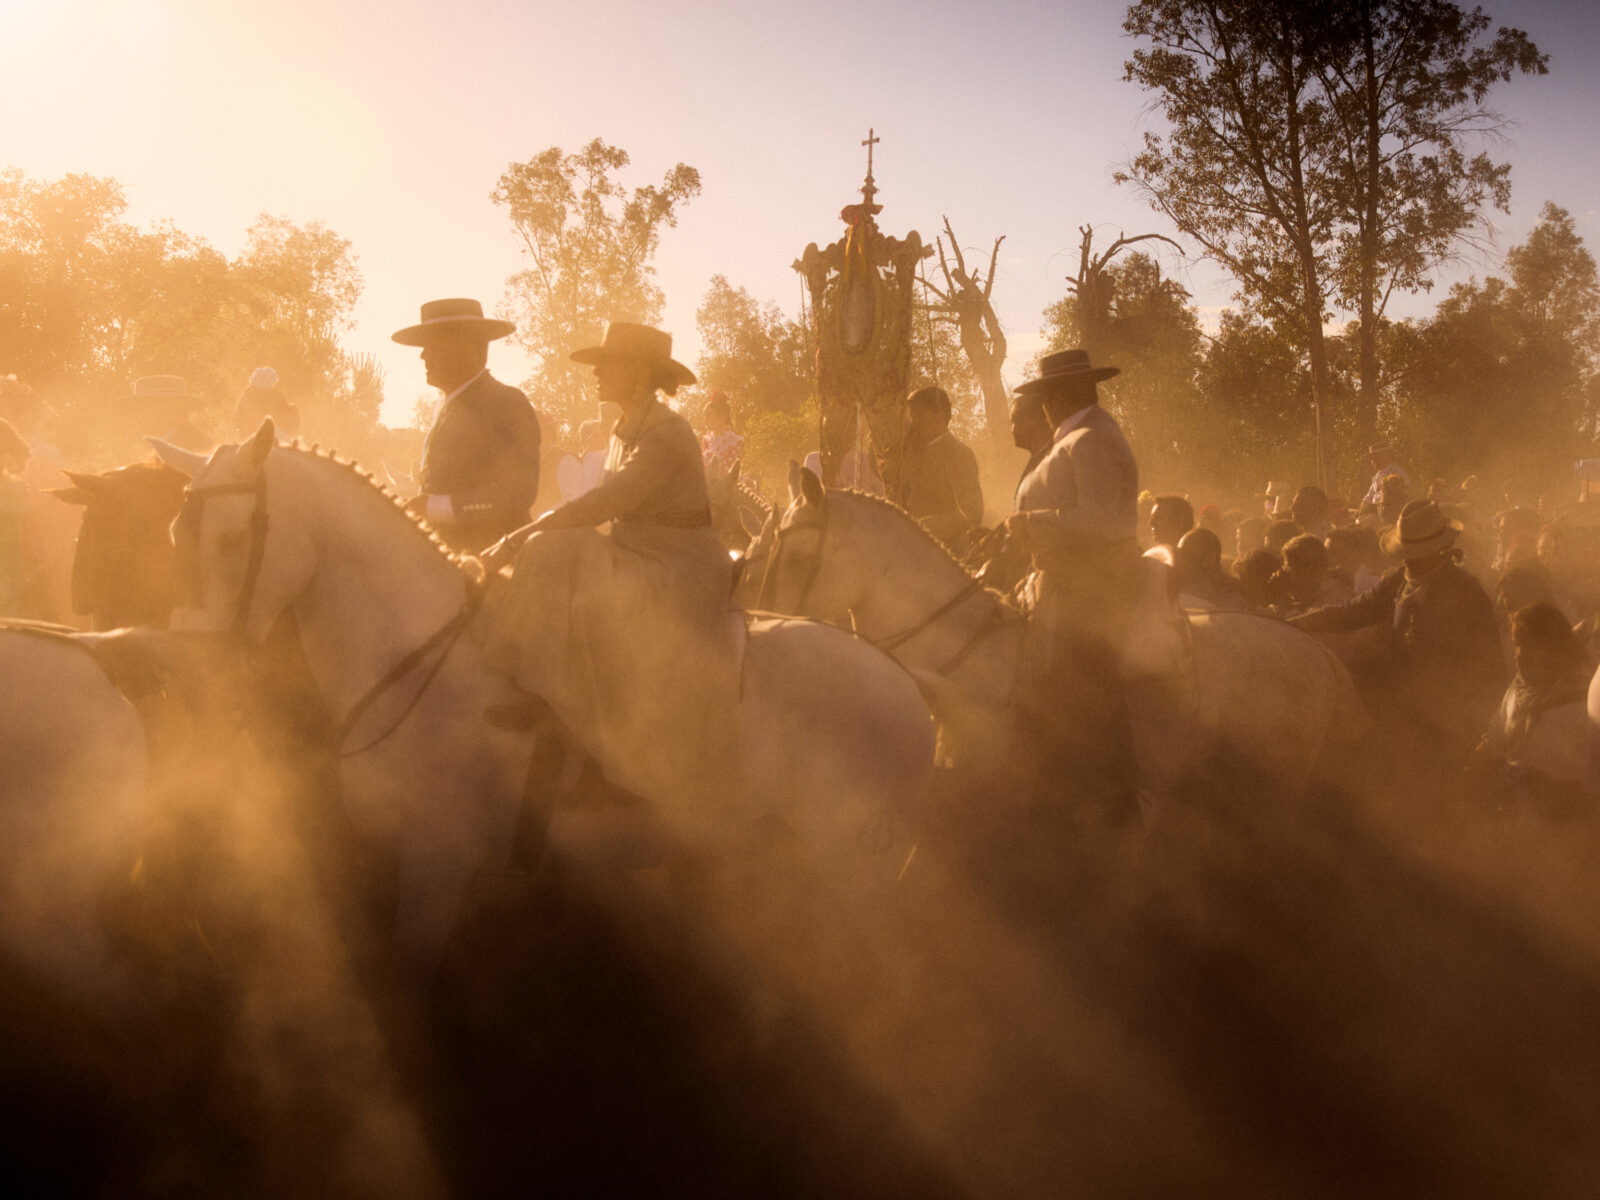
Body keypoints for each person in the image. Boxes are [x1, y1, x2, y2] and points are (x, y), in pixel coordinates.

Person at [475, 322, 736, 812]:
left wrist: (515, 539)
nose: (595, 373)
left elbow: (606, 501)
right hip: (637, 554)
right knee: (560, 551)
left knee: (552, 550)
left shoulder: (667, 434)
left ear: (637, 374)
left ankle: (534, 689)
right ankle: (539, 686)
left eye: (606, 364)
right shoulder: (626, 428)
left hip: (679, 570)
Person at [1001, 348, 1140, 821]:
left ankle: (1089, 799)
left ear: (1054, 397)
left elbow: (1102, 520)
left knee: (1072, 692)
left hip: (1090, 592)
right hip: (1063, 580)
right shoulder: (1077, 436)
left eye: (1042, 396)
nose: (1040, 405)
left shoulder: (1091, 439)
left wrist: (1033, 521)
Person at [1291, 499, 1505, 766]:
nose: (1410, 561)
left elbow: (1488, 662)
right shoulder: (1398, 580)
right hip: (1403, 708)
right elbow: (1355, 611)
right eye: (1408, 553)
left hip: (1449, 717)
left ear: (1439, 551)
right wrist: (1301, 622)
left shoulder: (1464, 591)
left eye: (1418, 554)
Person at [392, 298, 541, 553]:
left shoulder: (506, 402)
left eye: (433, 346)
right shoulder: (444, 406)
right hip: (448, 557)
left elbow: (519, 491)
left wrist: (435, 507)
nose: (423, 355)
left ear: (468, 348)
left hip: (494, 559)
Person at [1470, 601, 1595, 818]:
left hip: (1560, 823)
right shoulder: (1521, 687)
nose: (1518, 654)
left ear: (1552, 644)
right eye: (1516, 644)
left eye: (1528, 644)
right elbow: (1495, 741)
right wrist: (1468, 776)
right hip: (1512, 814)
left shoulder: (1586, 699)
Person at [897, 385, 984, 553]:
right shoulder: (908, 451)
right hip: (908, 550)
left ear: (939, 414)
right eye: (912, 416)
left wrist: (930, 525)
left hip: (945, 553)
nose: (914, 421)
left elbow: (973, 511)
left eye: (920, 415)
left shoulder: (959, 454)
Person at [1175, 527, 1247, 611]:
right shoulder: (1179, 584)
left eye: (1186, 554)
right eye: (1179, 553)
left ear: (1210, 558)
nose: (1179, 558)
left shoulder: (1227, 591)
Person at [231, 366, 301, 440]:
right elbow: (241, 417)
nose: (271, 384)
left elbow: (287, 414)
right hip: (253, 434)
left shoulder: (275, 395)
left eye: (271, 382)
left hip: (273, 432)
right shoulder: (249, 396)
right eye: (269, 381)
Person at [698, 391, 744, 475]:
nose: (705, 420)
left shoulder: (735, 441)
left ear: (723, 416)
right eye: (704, 416)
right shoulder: (707, 441)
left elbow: (733, 470)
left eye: (708, 415)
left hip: (726, 484)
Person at [1362, 443, 1411, 508]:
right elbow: (1368, 497)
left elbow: (1405, 492)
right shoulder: (1376, 476)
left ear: (1385, 456)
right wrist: (1360, 510)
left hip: (1388, 511)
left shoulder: (1397, 472)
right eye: (1372, 458)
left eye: (1376, 456)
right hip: (1374, 511)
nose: (1373, 460)